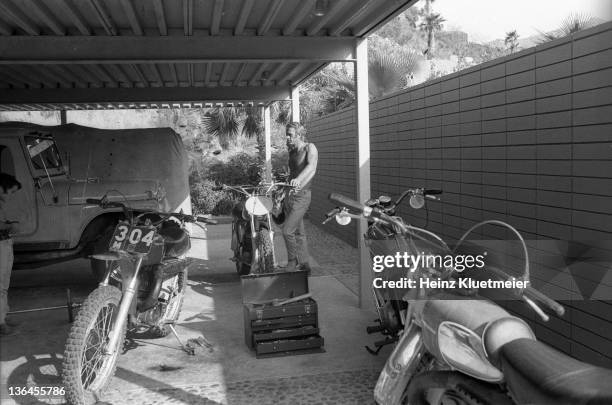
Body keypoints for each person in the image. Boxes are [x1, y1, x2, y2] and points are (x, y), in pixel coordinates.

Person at [283, 123, 318, 272]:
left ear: (299, 135)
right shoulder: (292, 151)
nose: (287, 137)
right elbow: (291, 174)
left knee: (287, 231)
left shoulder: (310, 148)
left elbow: (311, 167)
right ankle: (305, 265)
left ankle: (293, 261)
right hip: (290, 195)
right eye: (287, 134)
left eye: (290, 134)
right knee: (299, 232)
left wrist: (299, 179)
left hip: (303, 196)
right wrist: (283, 192)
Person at [0, 173, 22, 336]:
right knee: (0, 286)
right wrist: (9, 227)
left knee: (4, 285)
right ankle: (0, 324)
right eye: (10, 192)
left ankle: (2, 317)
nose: (11, 196)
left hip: (4, 243)